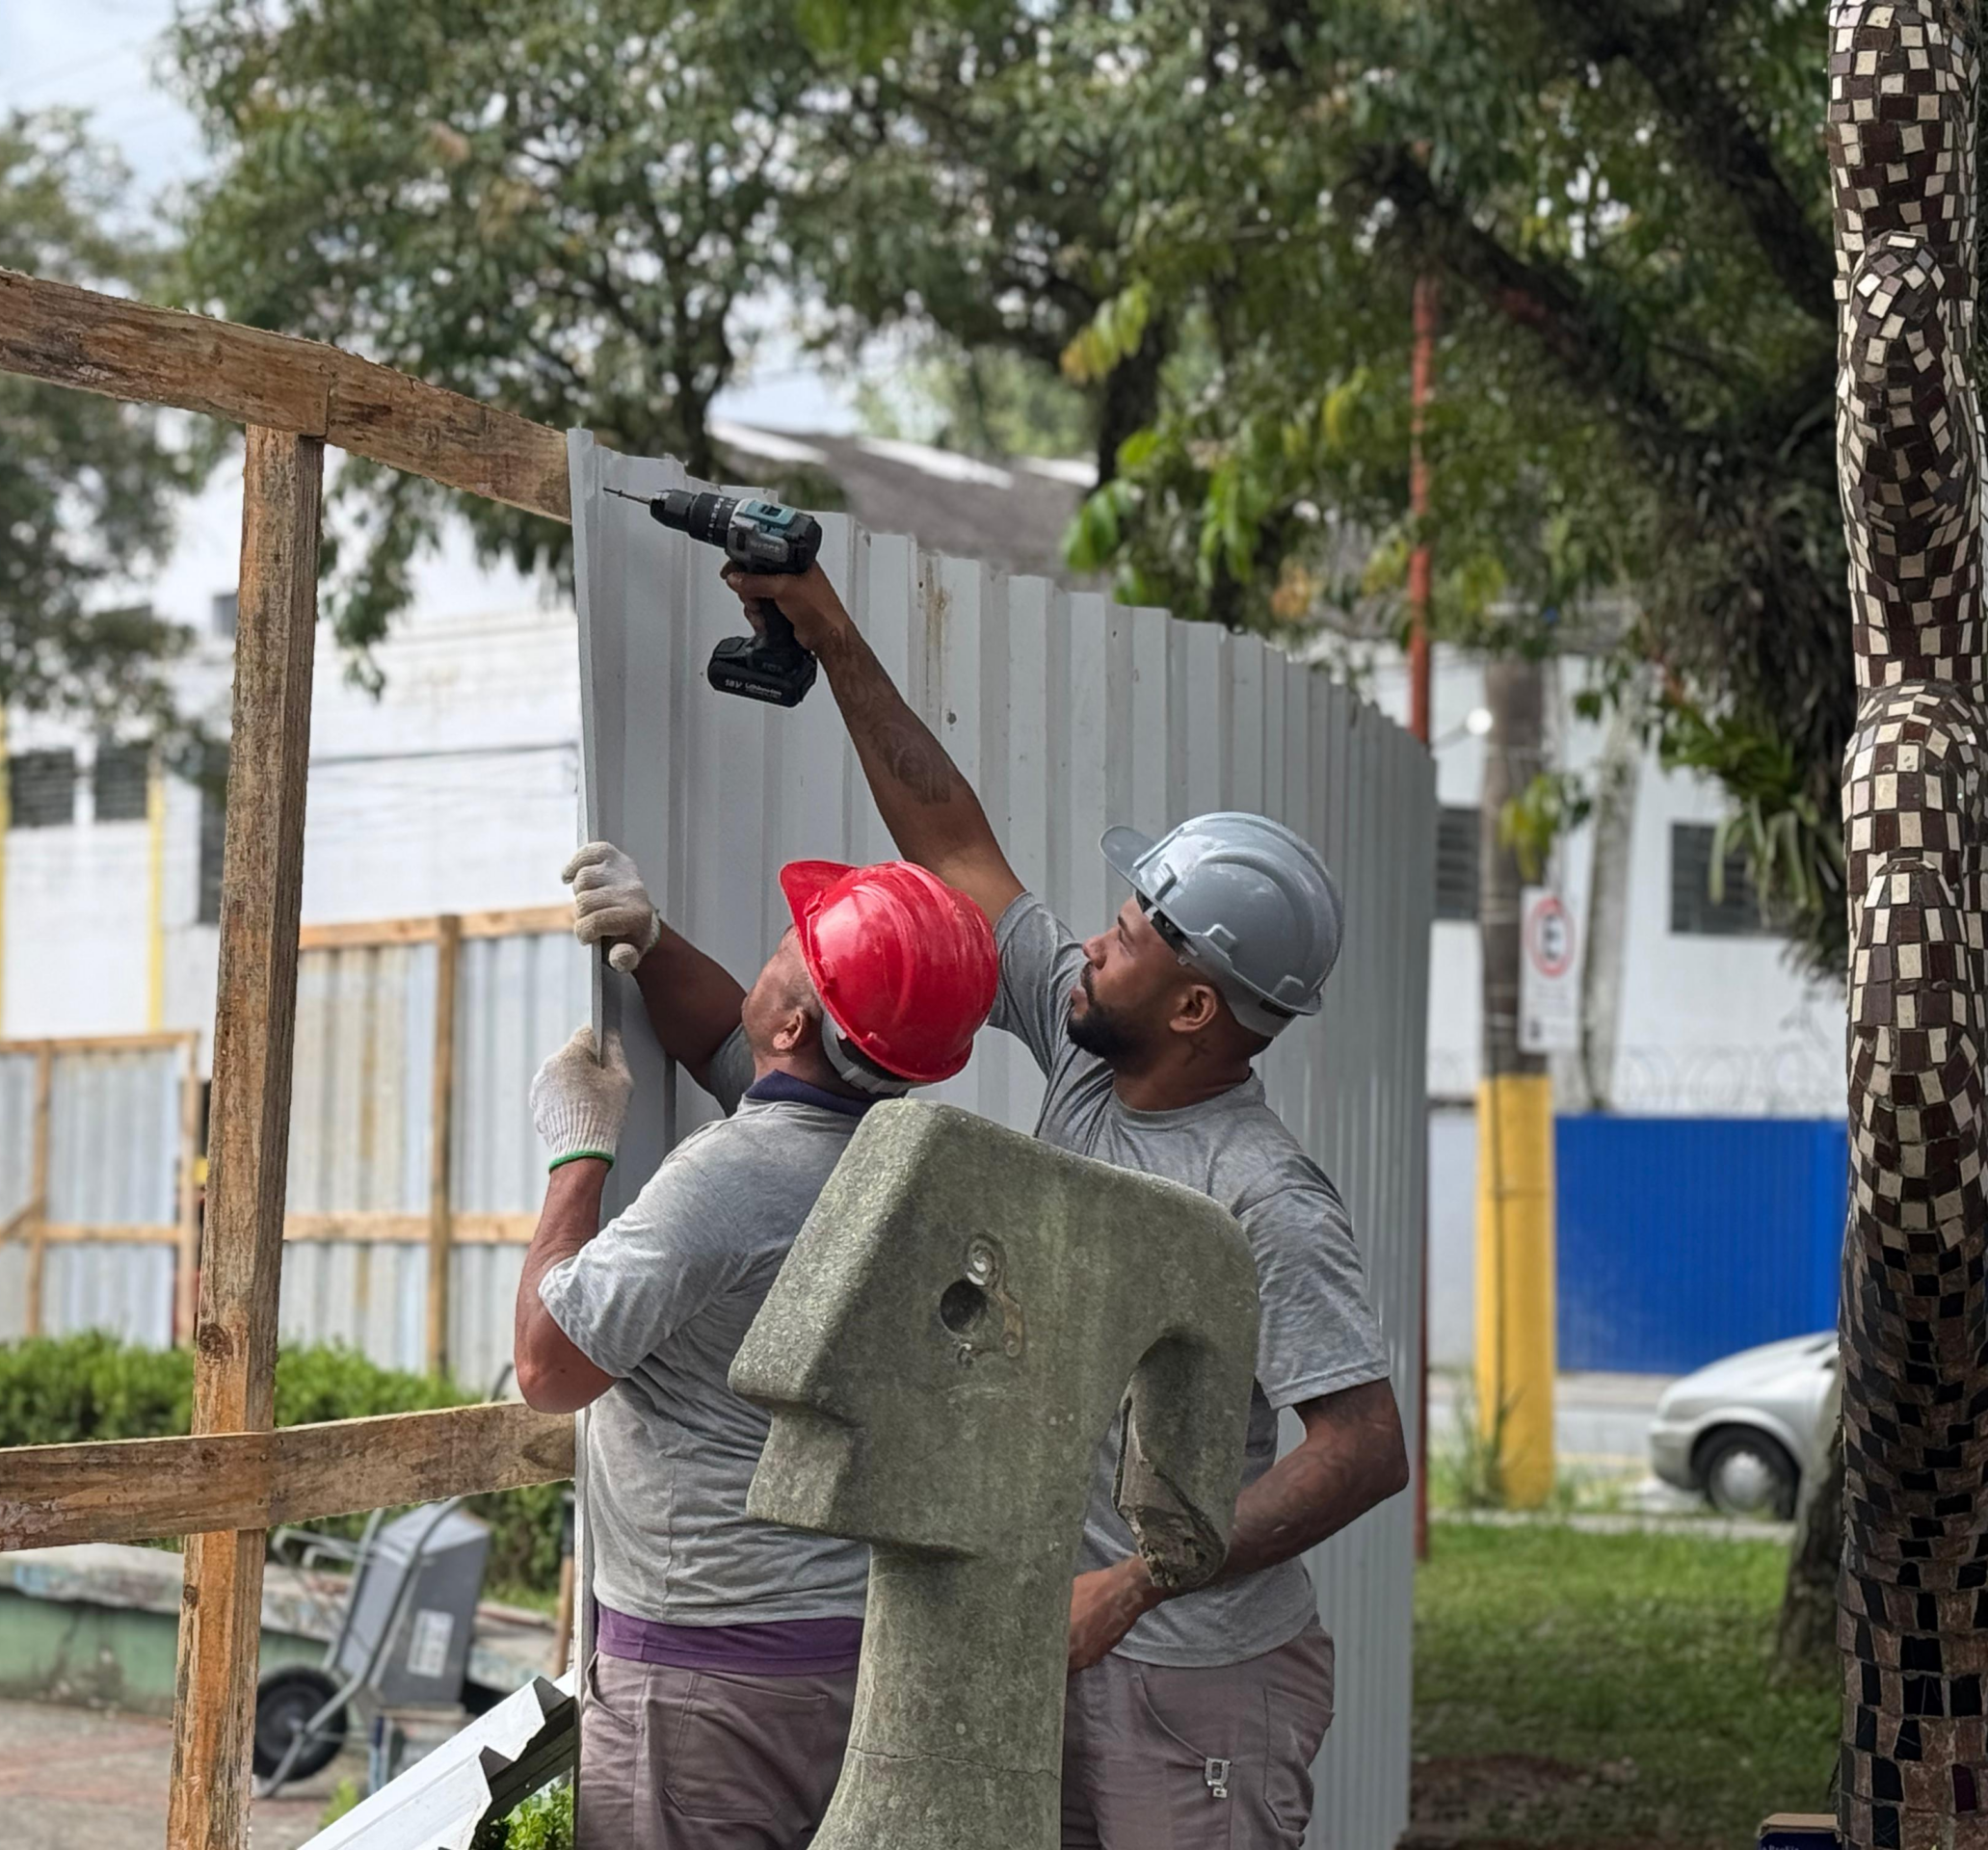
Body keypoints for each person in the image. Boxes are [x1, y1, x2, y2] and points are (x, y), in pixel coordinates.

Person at [719, 558, 1411, 1850]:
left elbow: (1365, 1450)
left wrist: (1139, 1583)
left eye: (1133, 930)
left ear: (1199, 1007)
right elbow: (956, 847)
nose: (1092, 943)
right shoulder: (1094, 1055)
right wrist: (832, 635)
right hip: (1081, 1647)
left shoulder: (1256, 1194)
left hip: (1204, 1682)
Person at [514, 849, 999, 1850]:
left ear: (794, 1025)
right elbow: (752, 1062)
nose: (772, 952)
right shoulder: (916, 1167)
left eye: (790, 953)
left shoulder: (731, 1181)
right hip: (845, 1651)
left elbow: (549, 1368)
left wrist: (577, 1155)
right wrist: (649, 948)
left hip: (706, 1680)